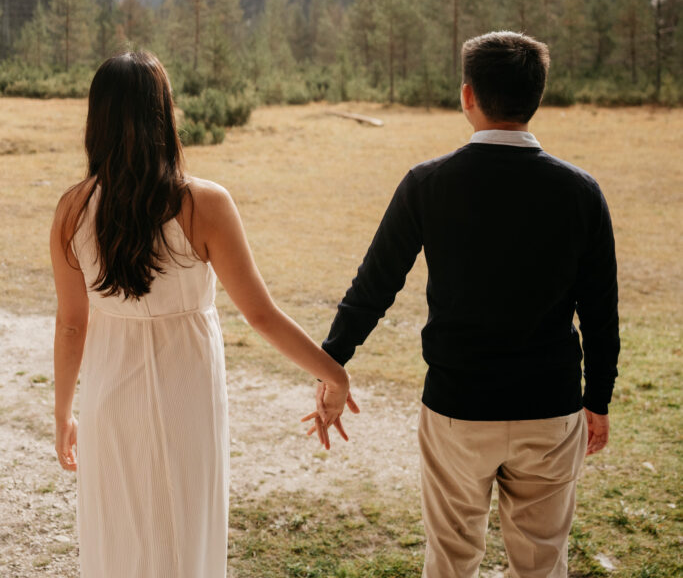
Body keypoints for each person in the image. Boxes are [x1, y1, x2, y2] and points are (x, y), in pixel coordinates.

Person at [309, 31, 619, 578]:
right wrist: (597, 398)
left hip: (457, 410)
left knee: (451, 563)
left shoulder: (427, 183)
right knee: (543, 563)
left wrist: (331, 365)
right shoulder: (581, 191)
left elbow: (374, 286)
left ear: (467, 95)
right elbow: (600, 311)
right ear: (537, 96)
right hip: (550, 410)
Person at [51, 50, 355, 578]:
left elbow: (71, 324)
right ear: (164, 115)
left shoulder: (72, 210)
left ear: (96, 120)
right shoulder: (205, 204)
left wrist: (62, 414)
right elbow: (261, 315)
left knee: (117, 531)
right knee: (185, 526)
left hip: (109, 397)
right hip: (187, 394)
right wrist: (334, 374)